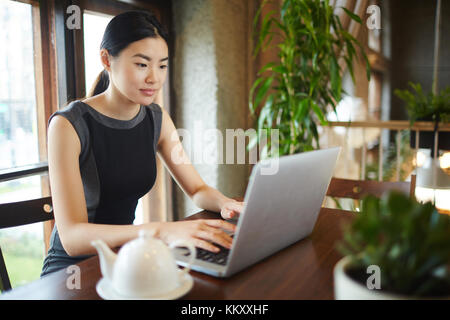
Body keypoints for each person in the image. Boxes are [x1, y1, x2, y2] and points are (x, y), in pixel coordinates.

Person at [41, 10, 244, 276]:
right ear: (106, 59)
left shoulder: (156, 118)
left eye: (162, 65)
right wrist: (160, 231)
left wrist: (226, 203)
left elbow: (197, 189)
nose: (154, 78)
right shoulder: (68, 125)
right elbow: (72, 238)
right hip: (74, 271)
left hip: (127, 259)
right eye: (141, 64)